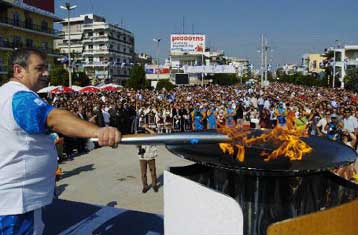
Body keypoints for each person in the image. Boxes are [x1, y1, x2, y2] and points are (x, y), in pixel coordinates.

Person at [0, 48, 121, 235]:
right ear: (18, 70)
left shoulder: (4, 95)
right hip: (18, 204)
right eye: (39, 68)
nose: (46, 73)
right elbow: (54, 118)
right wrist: (99, 131)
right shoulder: (20, 98)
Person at [137, 124, 158, 193]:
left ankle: (154, 185)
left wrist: (147, 129)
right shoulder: (140, 135)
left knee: (153, 172)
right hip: (142, 157)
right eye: (143, 128)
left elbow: (155, 135)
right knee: (143, 174)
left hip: (151, 156)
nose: (144, 129)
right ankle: (145, 186)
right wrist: (141, 131)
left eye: (146, 127)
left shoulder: (151, 135)